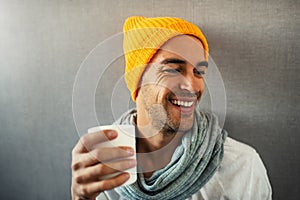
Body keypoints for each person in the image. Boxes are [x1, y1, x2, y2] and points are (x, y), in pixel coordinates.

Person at [71, 16, 272, 200]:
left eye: (199, 72)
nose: (192, 86)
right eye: (173, 69)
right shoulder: (102, 164)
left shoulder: (242, 168)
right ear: (138, 80)